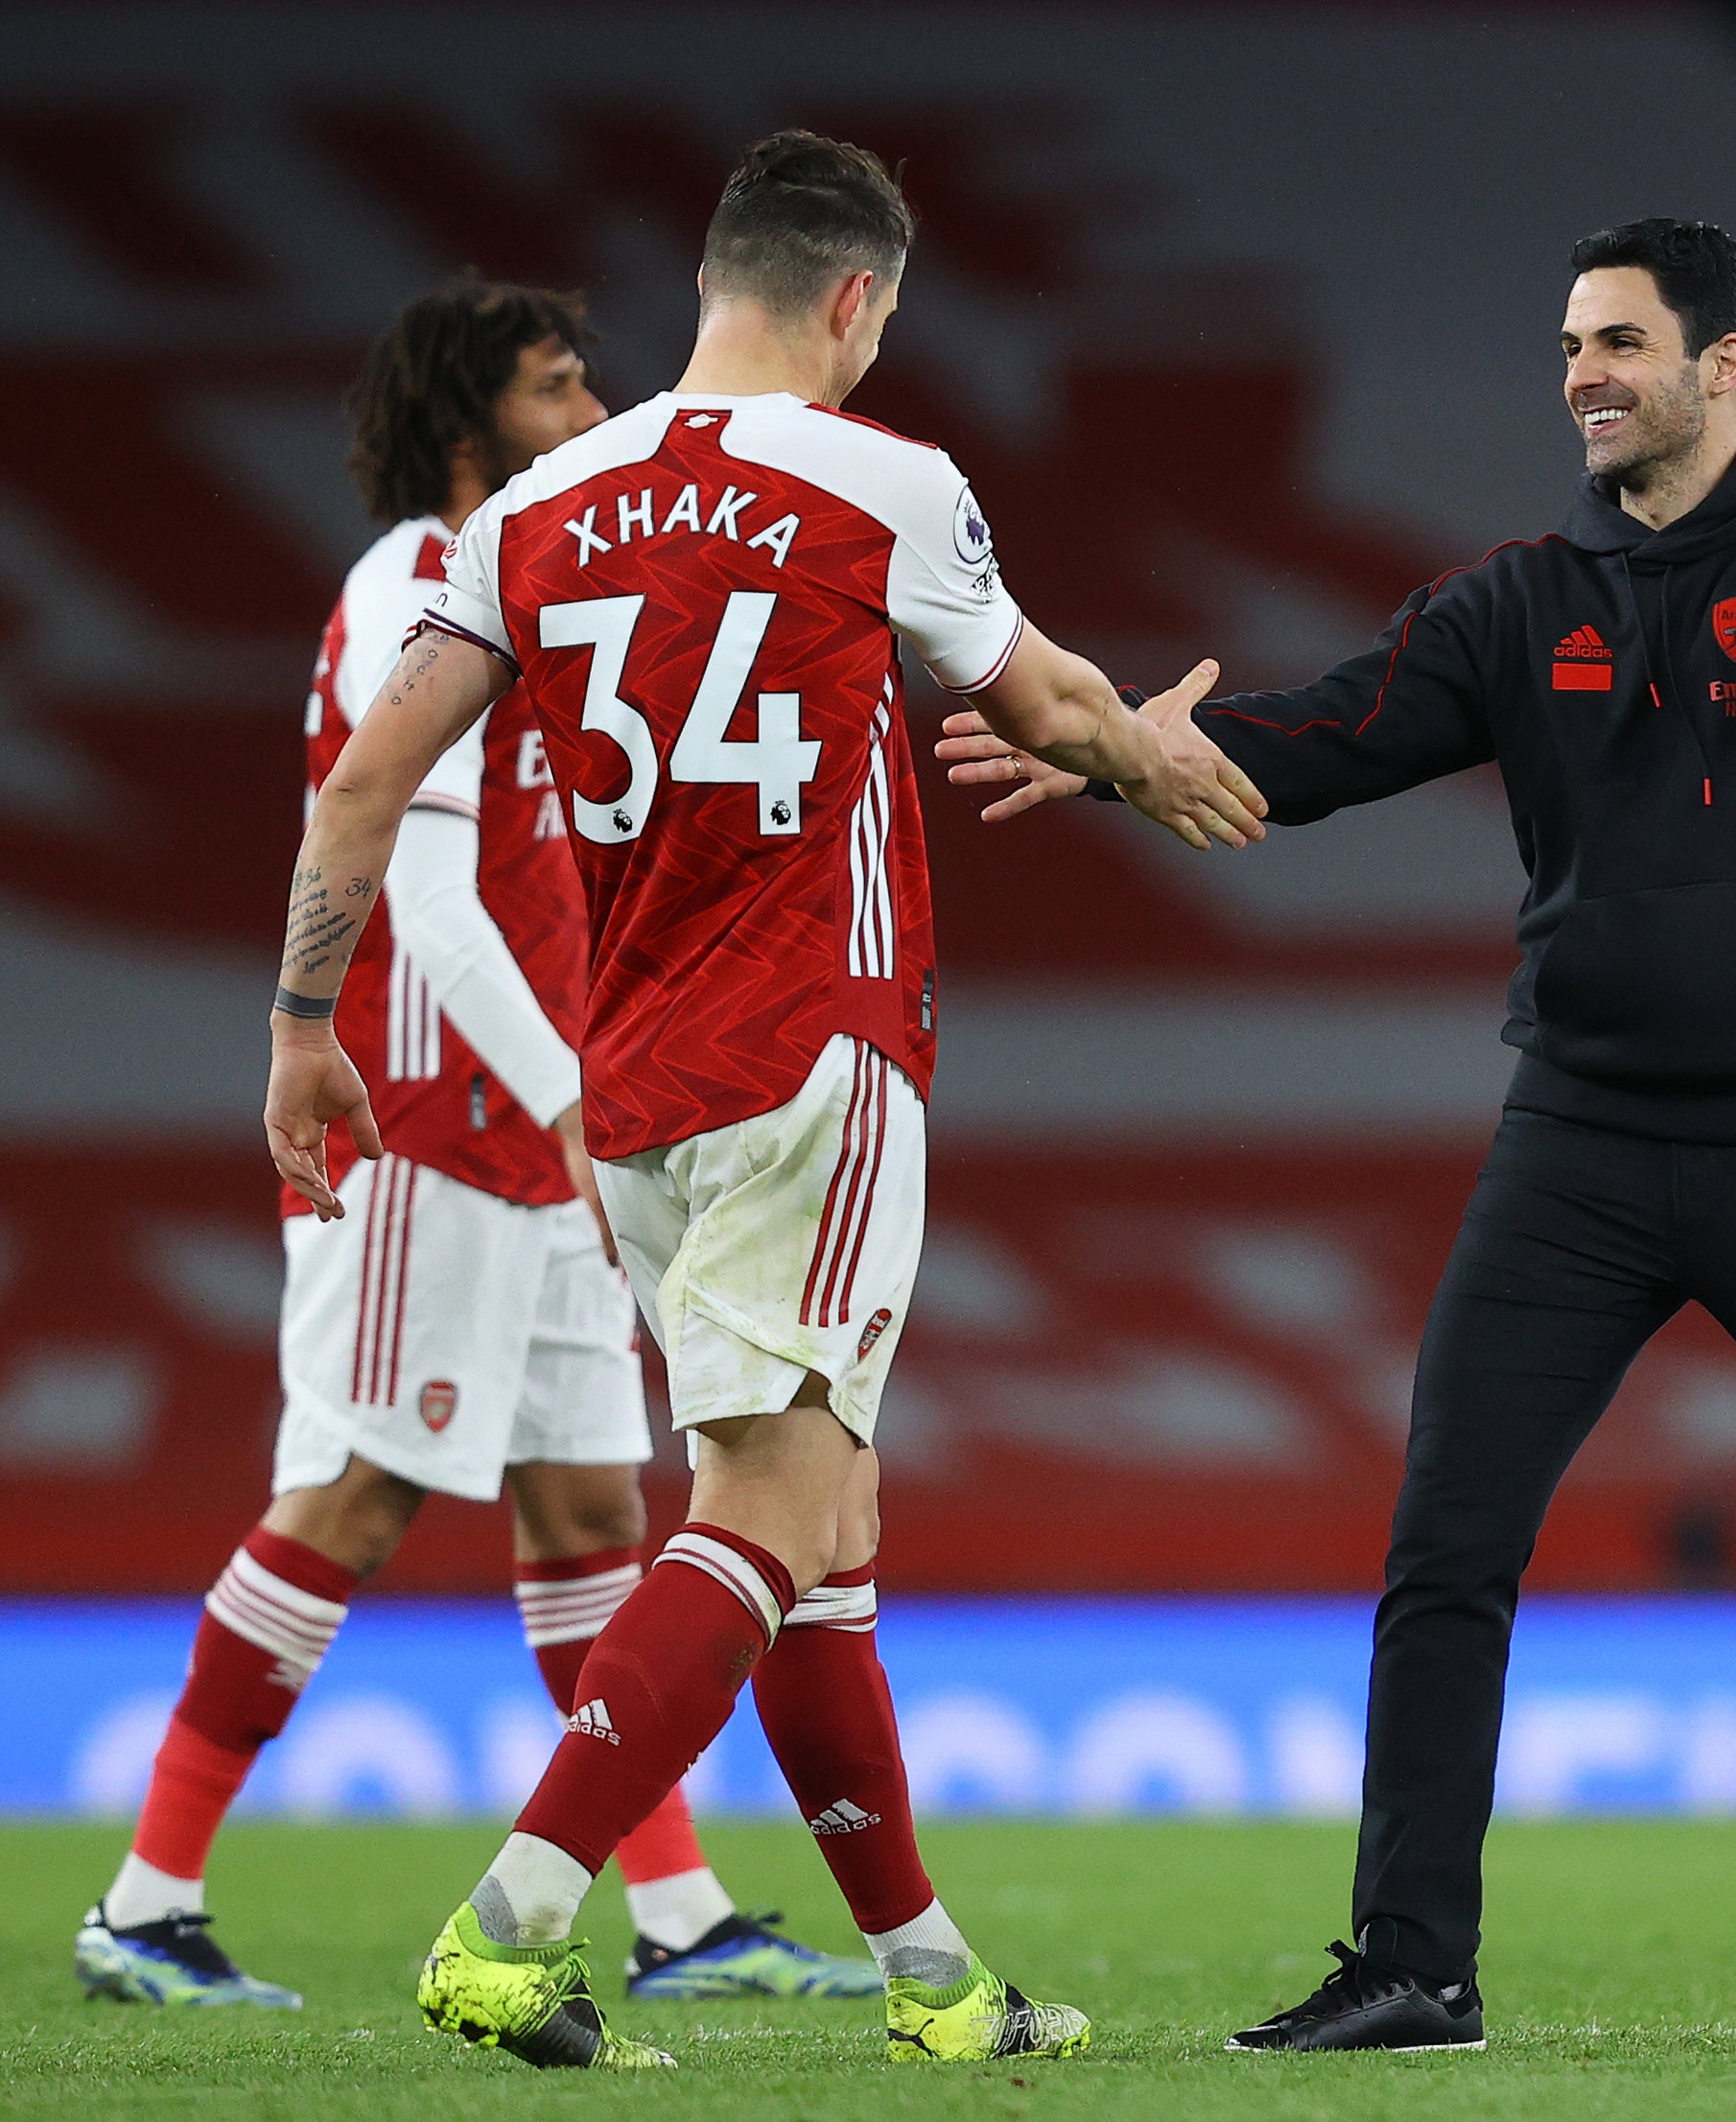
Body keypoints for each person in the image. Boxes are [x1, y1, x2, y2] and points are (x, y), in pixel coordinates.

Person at [942, 218, 1736, 2049]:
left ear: (1722, 363)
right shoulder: (1511, 604)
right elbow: (1313, 746)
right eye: (1564, 348)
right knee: (1447, 1543)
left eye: (1617, 341)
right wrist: (1119, 751)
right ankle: (1411, 1963)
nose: (1584, 375)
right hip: (1580, 1146)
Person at [262, 131, 1264, 2070]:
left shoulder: (537, 506)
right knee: (770, 1502)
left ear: (705, 284)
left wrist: (307, 1024)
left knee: (826, 1519)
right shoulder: (886, 480)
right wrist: (1159, 761)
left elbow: (360, 791)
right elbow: (1045, 707)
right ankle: (514, 1919)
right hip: (816, 1048)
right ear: (858, 301)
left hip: (624, 1089)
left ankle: (932, 1977)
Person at [78, 279, 870, 2013]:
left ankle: (677, 1922)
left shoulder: (544, 576)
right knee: (352, 1502)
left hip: (544, 1138)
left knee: (592, 1509)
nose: (592, 408)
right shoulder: (408, 586)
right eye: (557, 383)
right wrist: (579, 1093)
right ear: (469, 420)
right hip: (427, 1120)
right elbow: (420, 895)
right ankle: (144, 1905)